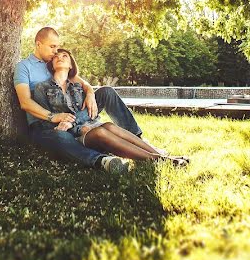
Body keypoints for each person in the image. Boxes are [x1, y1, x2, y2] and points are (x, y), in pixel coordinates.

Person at [14, 27, 170, 173]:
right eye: (52, 47)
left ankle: (138, 141)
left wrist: (90, 94)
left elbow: (83, 83)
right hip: (43, 123)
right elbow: (25, 102)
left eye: (58, 48)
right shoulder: (24, 67)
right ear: (38, 44)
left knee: (106, 92)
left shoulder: (54, 62)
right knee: (62, 136)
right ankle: (102, 160)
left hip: (71, 116)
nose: (56, 52)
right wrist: (53, 117)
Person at [33, 49, 188, 166]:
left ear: (71, 64)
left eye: (64, 56)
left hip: (89, 126)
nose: (59, 57)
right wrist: (77, 128)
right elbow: (46, 120)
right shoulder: (42, 88)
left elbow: (87, 111)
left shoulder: (77, 86)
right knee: (101, 130)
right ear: (51, 64)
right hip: (73, 136)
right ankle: (160, 160)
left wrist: (90, 94)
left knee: (108, 125)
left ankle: (156, 152)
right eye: (56, 57)